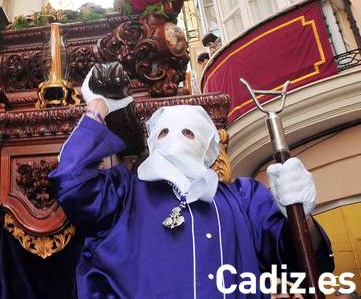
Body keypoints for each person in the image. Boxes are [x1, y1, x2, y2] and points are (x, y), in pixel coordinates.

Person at [49, 65, 333, 298]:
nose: (174, 140)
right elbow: (72, 182)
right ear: (152, 144)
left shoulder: (243, 199)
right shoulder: (124, 192)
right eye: (163, 134)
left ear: (208, 151)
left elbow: (299, 263)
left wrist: (301, 217)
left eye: (188, 133)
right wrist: (98, 107)